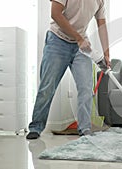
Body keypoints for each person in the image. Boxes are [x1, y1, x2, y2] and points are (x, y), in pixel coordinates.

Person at [26, 0, 110, 139]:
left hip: (81, 46)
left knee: (86, 88)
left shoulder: (99, 1)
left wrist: (107, 54)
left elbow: (102, 24)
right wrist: (78, 37)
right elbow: (55, 14)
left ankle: (85, 129)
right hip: (57, 41)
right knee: (47, 87)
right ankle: (36, 127)